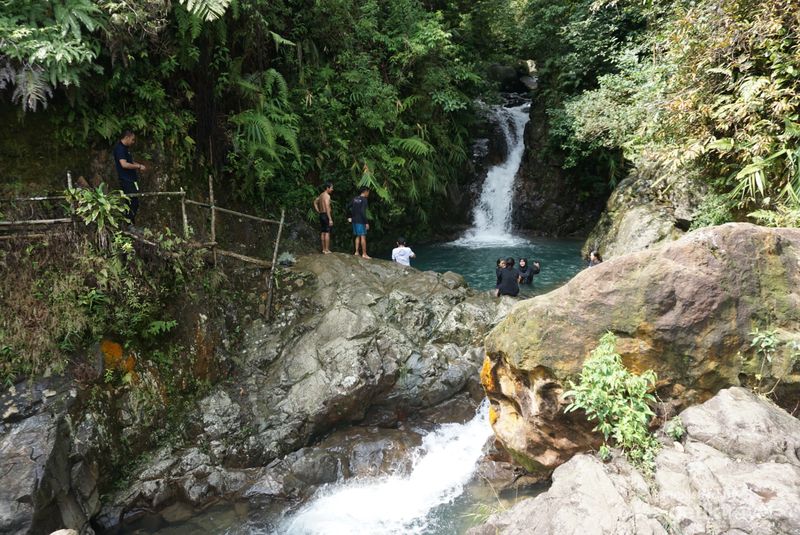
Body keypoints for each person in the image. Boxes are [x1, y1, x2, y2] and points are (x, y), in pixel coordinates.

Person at [113, 130, 145, 227]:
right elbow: (124, 164)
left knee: (133, 202)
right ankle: (129, 225)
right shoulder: (120, 149)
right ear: (127, 137)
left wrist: (139, 165)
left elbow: (130, 162)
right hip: (126, 180)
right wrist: (138, 167)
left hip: (131, 179)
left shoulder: (125, 149)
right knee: (132, 202)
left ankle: (130, 224)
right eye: (132, 139)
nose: (133, 142)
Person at [348, 187, 370, 259]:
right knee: (363, 236)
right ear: (365, 192)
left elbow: (348, 206)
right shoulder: (364, 200)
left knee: (357, 236)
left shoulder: (355, 198)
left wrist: (349, 216)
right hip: (360, 221)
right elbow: (362, 212)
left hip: (354, 220)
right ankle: (364, 253)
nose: (368, 194)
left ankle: (356, 252)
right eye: (368, 192)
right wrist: (366, 222)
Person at [312, 182, 334, 254]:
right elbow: (327, 207)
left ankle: (323, 249)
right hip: (326, 214)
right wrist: (330, 218)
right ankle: (327, 249)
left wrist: (318, 210)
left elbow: (315, 202)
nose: (332, 189)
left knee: (323, 232)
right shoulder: (327, 196)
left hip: (321, 215)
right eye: (331, 188)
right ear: (327, 188)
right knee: (327, 232)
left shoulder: (321, 195)